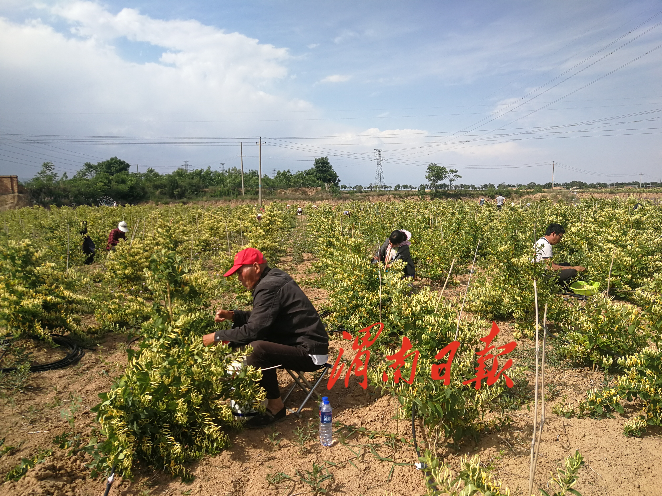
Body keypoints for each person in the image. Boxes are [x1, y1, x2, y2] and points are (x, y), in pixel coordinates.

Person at [202, 247, 329, 428]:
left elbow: (254, 330)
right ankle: (256, 396)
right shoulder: (273, 279)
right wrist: (233, 315)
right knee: (250, 344)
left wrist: (217, 336)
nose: (238, 278)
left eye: (240, 272)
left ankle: (276, 407)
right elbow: (262, 319)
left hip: (310, 353)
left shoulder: (268, 286)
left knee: (256, 348)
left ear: (255, 267)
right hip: (304, 345)